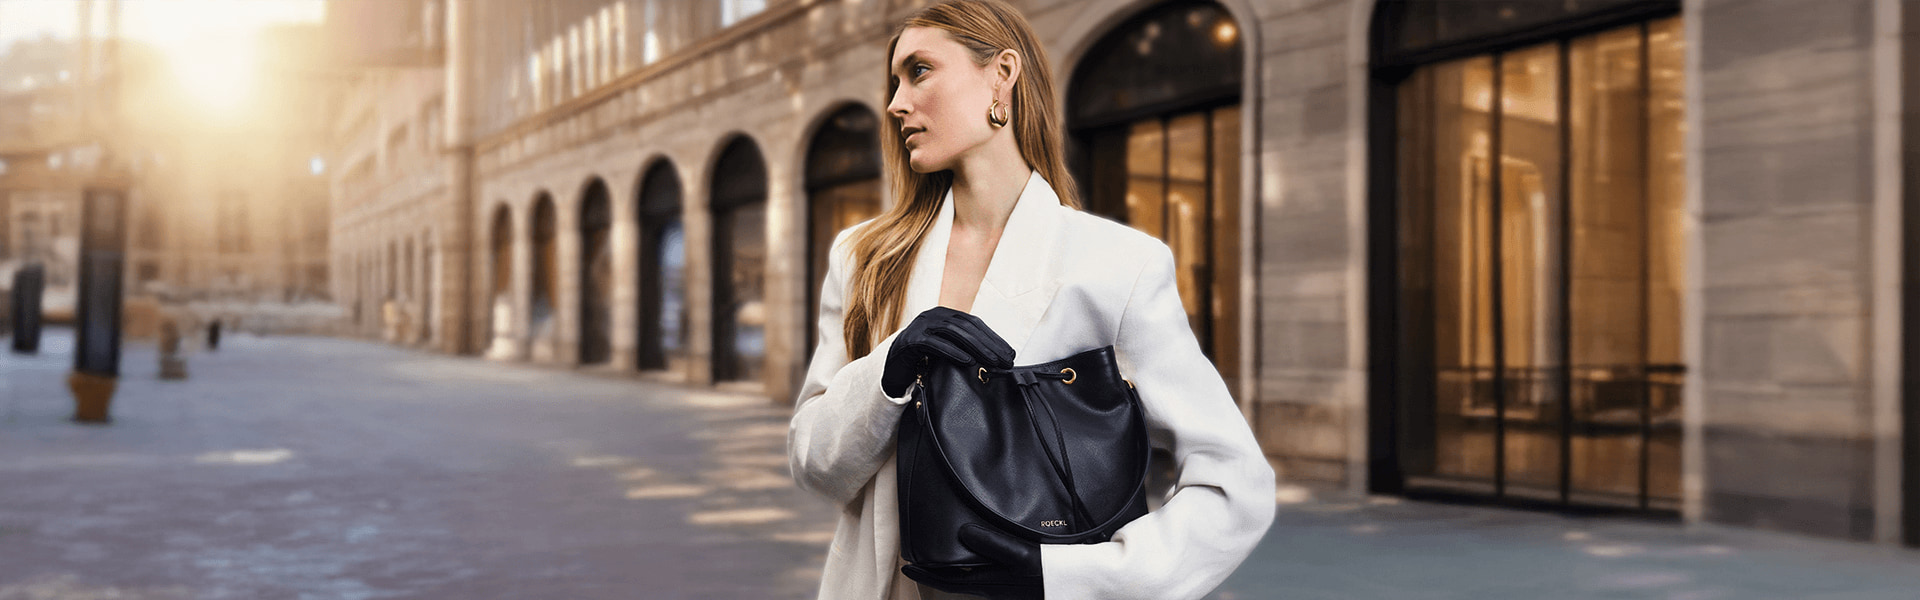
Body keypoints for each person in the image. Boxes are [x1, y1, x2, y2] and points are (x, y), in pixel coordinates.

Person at [786, 1, 1274, 599]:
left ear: (1002, 75)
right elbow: (813, 464)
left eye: (919, 71)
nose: (895, 103)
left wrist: (1071, 576)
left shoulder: (1117, 264)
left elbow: (1235, 486)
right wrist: (887, 372)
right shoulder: (865, 258)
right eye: (895, 81)